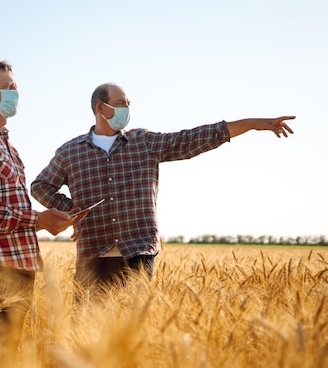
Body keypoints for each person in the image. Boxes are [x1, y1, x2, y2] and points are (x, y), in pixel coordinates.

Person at [30, 82, 295, 294]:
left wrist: (250, 124)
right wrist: (73, 211)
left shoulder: (144, 142)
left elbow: (192, 139)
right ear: (101, 108)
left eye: (128, 104)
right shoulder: (70, 152)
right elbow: (41, 185)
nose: (127, 109)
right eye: (121, 103)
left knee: (135, 334)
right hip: (93, 253)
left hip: (138, 251)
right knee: (84, 335)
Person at [0, 58, 75, 365]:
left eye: (16, 87)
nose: (15, 93)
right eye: (9, 87)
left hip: (19, 266)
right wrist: (38, 220)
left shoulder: (8, 145)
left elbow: (9, 207)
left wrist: (49, 221)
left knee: (7, 357)